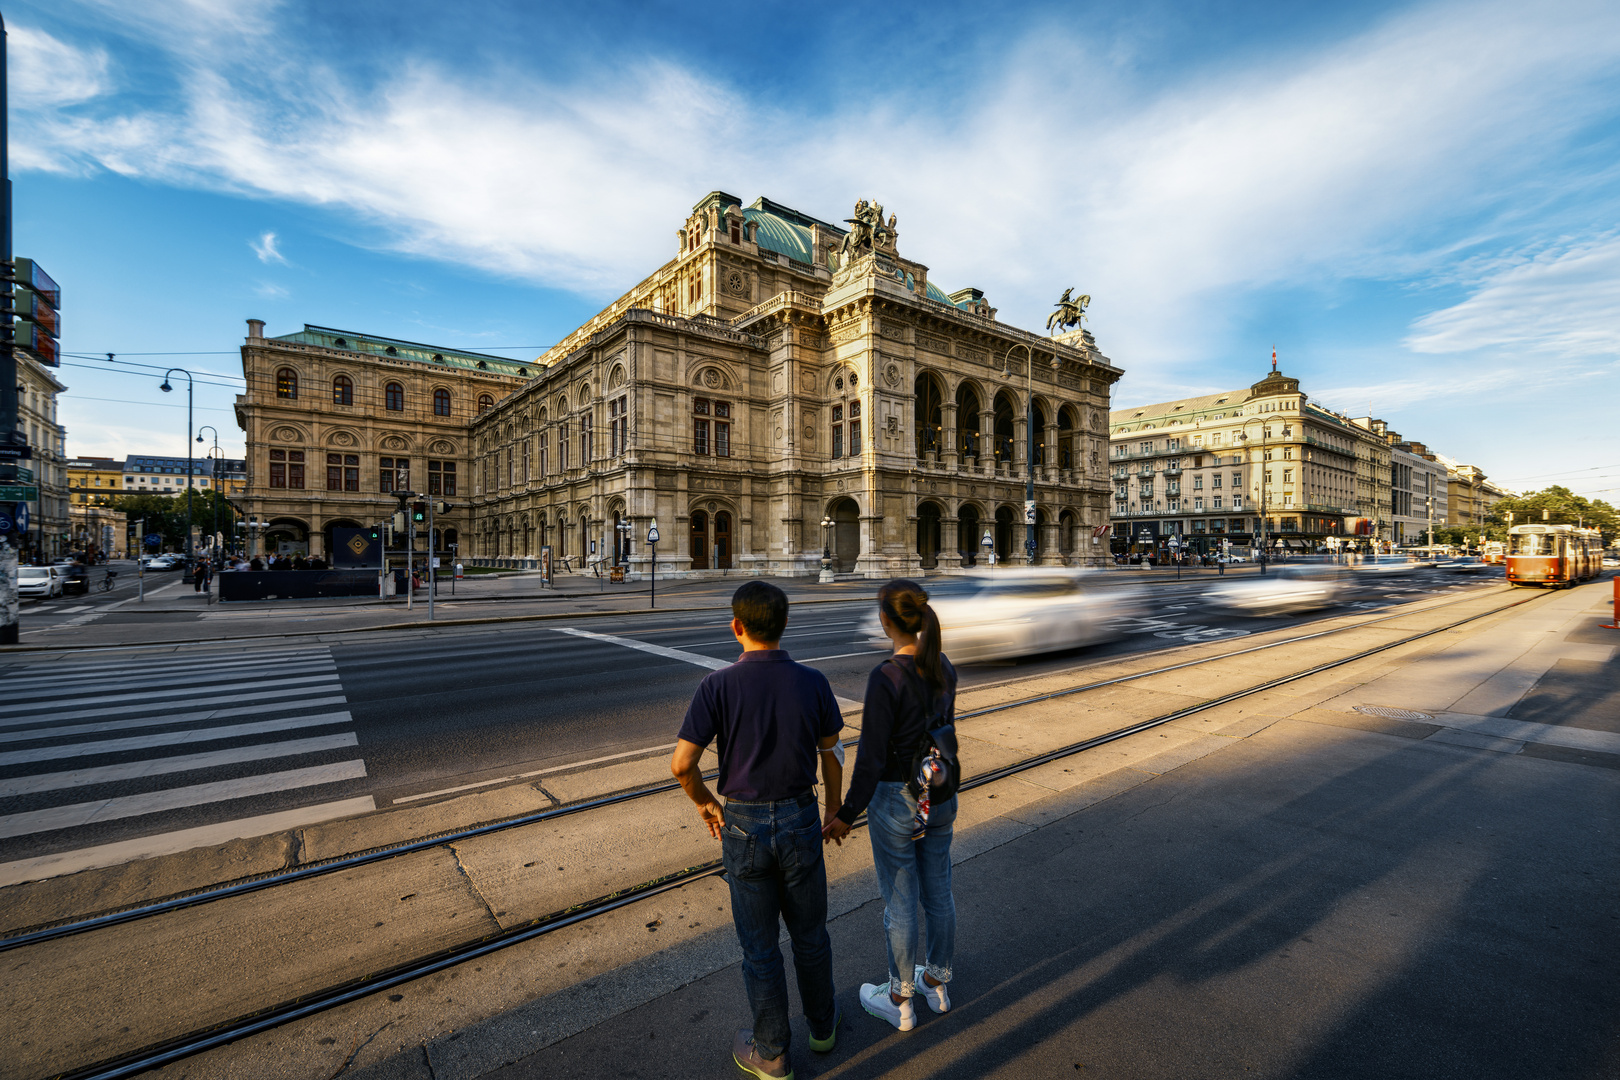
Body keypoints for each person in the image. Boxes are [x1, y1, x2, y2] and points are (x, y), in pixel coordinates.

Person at [671, 581, 845, 1079]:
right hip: (800, 817)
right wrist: (833, 809)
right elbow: (829, 754)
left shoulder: (717, 685)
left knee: (760, 947)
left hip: (743, 825)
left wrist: (705, 803)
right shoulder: (812, 681)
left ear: (736, 627)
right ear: (785, 625)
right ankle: (823, 1027)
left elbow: (682, 764)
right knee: (811, 935)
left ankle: (771, 1051)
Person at [824, 579, 958, 1032]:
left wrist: (845, 813)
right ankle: (936, 983)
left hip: (898, 798)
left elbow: (872, 757)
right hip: (938, 793)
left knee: (900, 900)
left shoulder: (886, 677)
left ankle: (899, 999)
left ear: (886, 621)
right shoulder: (944, 666)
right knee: (939, 890)